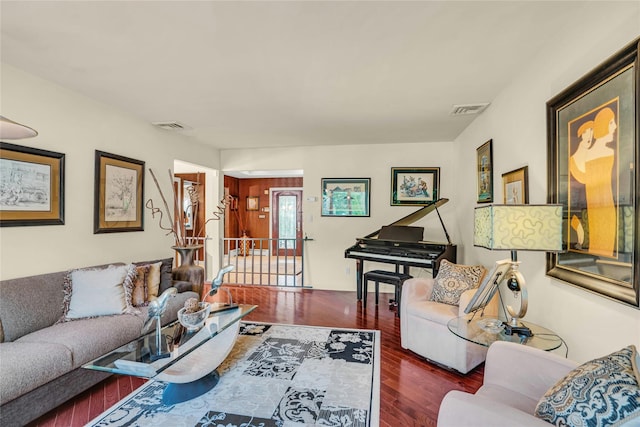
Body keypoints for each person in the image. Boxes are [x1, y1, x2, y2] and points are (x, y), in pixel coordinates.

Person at [568, 107, 617, 257]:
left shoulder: (609, 152)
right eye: (611, 122)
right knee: (596, 243)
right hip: (594, 207)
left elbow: (581, 175)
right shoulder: (587, 155)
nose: (615, 127)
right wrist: (583, 146)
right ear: (602, 125)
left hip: (607, 207)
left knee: (606, 245)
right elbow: (580, 176)